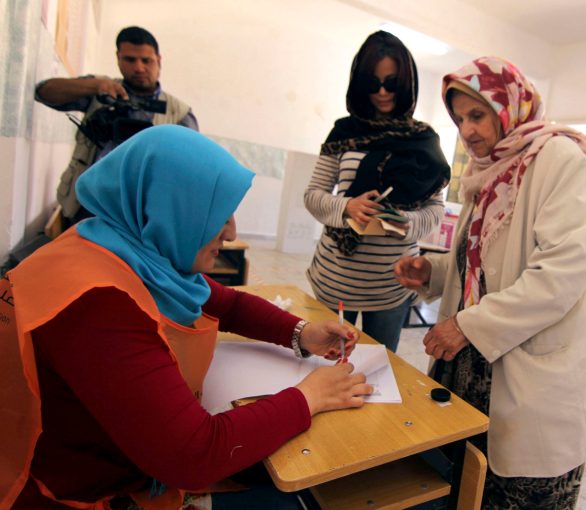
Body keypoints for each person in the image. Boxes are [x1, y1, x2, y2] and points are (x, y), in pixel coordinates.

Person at [0, 125, 372, 509]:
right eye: (219, 215)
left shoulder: (121, 247)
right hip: (69, 493)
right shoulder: (97, 303)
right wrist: (310, 396)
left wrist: (303, 332)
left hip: (123, 456)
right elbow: (193, 455)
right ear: (171, 209)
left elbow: (227, 304)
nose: (231, 233)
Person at [394, 57, 586, 509]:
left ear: (509, 105)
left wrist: (466, 325)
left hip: (538, 378)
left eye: (477, 115)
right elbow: (483, 264)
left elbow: (560, 274)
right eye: (460, 119)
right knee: (470, 491)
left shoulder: (558, 158)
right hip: (476, 371)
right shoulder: (491, 171)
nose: (468, 131)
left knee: (524, 496)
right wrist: (434, 272)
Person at [304, 30, 450, 352]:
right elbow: (313, 194)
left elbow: (435, 209)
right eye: (373, 83)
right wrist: (347, 207)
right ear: (359, 84)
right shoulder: (344, 132)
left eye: (392, 83)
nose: (383, 93)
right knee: (328, 363)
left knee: (377, 371)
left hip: (391, 285)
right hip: (336, 278)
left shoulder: (424, 140)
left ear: (407, 83)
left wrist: (402, 221)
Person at [35, 26, 198, 227]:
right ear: (118, 58)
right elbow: (44, 92)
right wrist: (95, 86)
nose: (139, 68)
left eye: (146, 60)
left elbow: (191, 170)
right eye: (130, 60)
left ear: (159, 60)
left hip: (140, 215)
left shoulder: (179, 113)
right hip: (85, 206)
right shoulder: (100, 91)